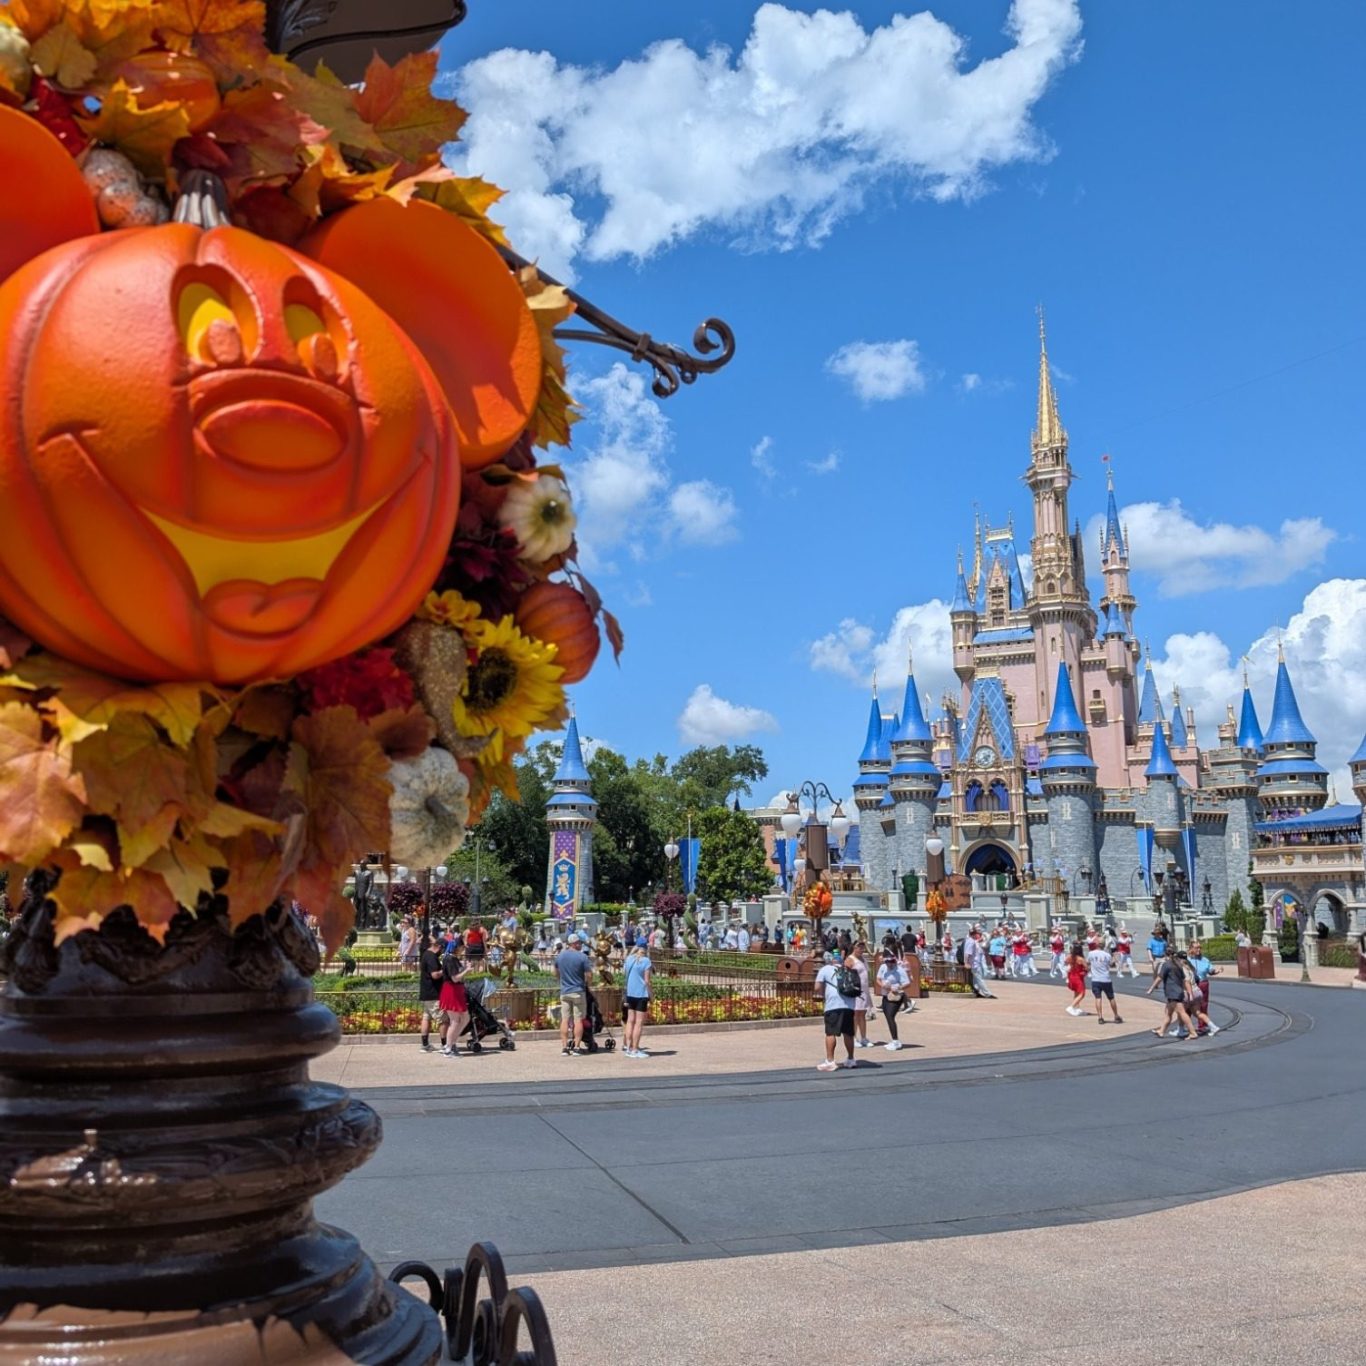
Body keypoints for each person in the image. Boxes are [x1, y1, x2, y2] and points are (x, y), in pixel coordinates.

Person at [814, 951, 859, 1071]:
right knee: (848, 1033)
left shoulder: (825, 969)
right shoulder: (848, 970)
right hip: (849, 1005)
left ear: (831, 960)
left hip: (833, 1005)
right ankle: (851, 1059)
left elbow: (817, 988)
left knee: (830, 1033)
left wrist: (823, 994)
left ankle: (830, 1061)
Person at [1147, 949, 1199, 1041]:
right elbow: (1184, 980)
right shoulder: (1179, 966)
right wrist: (1187, 991)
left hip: (1173, 993)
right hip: (1177, 992)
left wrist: (1151, 988)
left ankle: (1193, 1032)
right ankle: (1161, 1031)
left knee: (1182, 1012)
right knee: (1168, 1013)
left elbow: (1160, 977)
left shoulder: (1167, 965)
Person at [555, 931, 593, 1056]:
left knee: (564, 1019)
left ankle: (564, 1047)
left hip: (565, 991)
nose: (581, 945)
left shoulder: (560, 956)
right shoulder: (582, 957)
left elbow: (555, 972)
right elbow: (589, 975)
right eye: (579, 943)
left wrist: (561, 981)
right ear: (575, 944)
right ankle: (576, 1047)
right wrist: (588, 984)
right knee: (578, 1020)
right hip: (578, 991)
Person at [437, 943, 471, 1055]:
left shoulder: (452, 958)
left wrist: (464, 967)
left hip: (456, 990)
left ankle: (451, 1043)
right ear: (457, 948)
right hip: (452, 990)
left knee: (465, 1018)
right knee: (455, 1020)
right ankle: (448, 1047)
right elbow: (455, 978)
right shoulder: (450, 959)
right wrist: (467, 970)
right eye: (462, 948)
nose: (463, 950)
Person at [622, 943, 653, 1058]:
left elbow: (625, 973)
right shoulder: (646, 961)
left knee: (630, 1021)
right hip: (641, 994)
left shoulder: (629, 959)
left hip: (630, 993)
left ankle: (628, 1047)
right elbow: (647, 981)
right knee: (639, 1023)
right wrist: (652, 994)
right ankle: (635, 1049)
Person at [876, 950, 910, 1051]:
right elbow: (878, 978)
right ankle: (893, 1039)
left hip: (896, 995)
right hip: (885, 994)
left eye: (891, 962)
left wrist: (897, 987)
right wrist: (882, 985)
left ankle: (896, 1041)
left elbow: (907, 983)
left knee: (891, 1016)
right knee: (887, 1016)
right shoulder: (883, 968)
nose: (889, 964)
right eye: (887, 962)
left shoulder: (899, 970)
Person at [1186, 940, 1221, 1036]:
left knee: (1203, 1006)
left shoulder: (1205, 960)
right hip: (1192, 984)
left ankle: (1202, 1026)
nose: (1199, 949)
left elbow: (1210, 971)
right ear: (1191, 949)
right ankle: (1185, 1026)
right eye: (1196, 947)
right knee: (1187, 1005)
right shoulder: (1187, 959)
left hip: (1203, 983)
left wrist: (1216, 971)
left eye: (1200, 947)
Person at [417, 932, 445, 1052]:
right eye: (442, 950)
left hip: (426, 992)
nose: (442, 952)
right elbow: (435, 975)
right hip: (434, 993)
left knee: (426, 1018)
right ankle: (445, 1045)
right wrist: (445, 970)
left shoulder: (425, 954)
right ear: (439, 947)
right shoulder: (432, 957)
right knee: (443, 1019)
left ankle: (425, 1044)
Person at [1086, 936, 1123, 1024]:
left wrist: (1090, 968)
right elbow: (1111, 965)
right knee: (1111, 998)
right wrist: (1114, 958)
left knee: (1098, 998)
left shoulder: (1091, 953)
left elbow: (1087, 963)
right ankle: (1116, 1015)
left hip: (1096, 979)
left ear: (1096, 944)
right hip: (1106, 979)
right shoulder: (1107, 955)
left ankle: (1100, 1017)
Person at [849, 940, 873, 1047]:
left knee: (862, 1014)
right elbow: (846, 973)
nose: (861, 950)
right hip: (855, 990)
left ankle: (864, 1037)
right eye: (859, 947)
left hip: (864, 990)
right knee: (855, 1014)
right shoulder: (850, 959)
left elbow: (867, 972)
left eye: (863, 948)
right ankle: (853, 1038)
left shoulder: (863, 959)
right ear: (854, 947)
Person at [963, 927, 995, 998]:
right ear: (973, 934)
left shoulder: (971, 940)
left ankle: (976, 991)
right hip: (974, 964)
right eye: (975, 934)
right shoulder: (971, 942)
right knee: (980, 979)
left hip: (975, 963)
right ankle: (988, 994)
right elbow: (967, 953)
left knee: (976, 979)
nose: (976, 935)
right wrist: (966, 963)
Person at [1065, 941, 1088, 1015]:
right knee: (1082, 993)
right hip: (1078, 977)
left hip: (1071, 975)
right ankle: (1071, 1007)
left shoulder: (1070, 957)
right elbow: (1087, 968)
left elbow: (1065, 962)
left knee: (1076, 992)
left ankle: (1077, 1008)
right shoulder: (1080, 959)